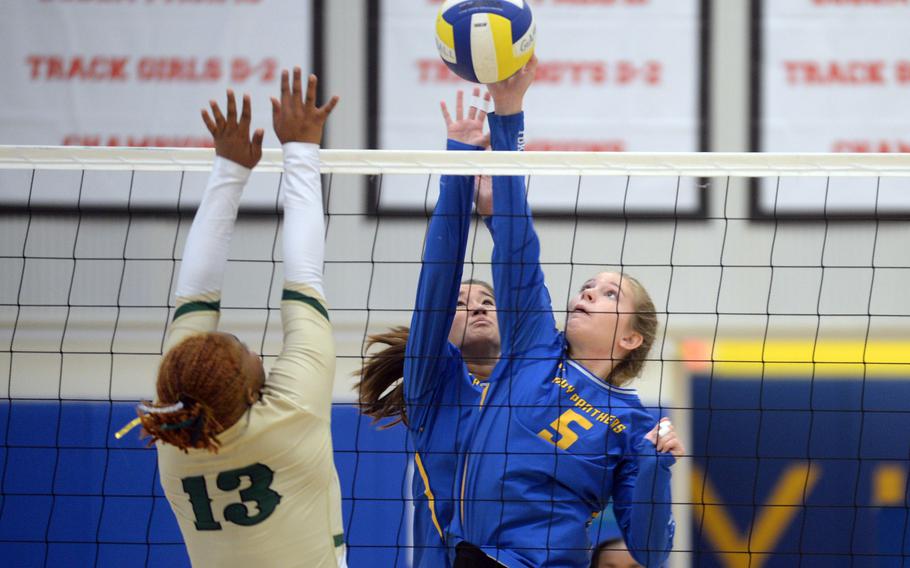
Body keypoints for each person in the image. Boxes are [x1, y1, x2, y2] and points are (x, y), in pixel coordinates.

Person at [446, 56, 685, 568]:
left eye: (609, 295)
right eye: (587, 287)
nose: (588, 295)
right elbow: (517, 249)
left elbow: (652, 550)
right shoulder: (535, 345)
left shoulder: (634, 422)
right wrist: (507, 114)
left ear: (630, 340)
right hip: (475, 554)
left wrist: (657, 465)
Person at [135, 69, 345, 567]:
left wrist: (232, 169)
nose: (254, 348)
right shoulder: (288, 416)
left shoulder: (175, 432)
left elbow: (197, 294)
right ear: (250, 391)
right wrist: (297, 151)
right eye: (246, 353)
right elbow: (303, 272)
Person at [356, 88, 501, 567]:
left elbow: (522, 265)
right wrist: (459, 164)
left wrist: (499, 203)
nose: (478, 307)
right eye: (463, 305)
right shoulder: (432, 385)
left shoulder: (534, 382)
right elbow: (438, 276)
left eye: (488, 300)